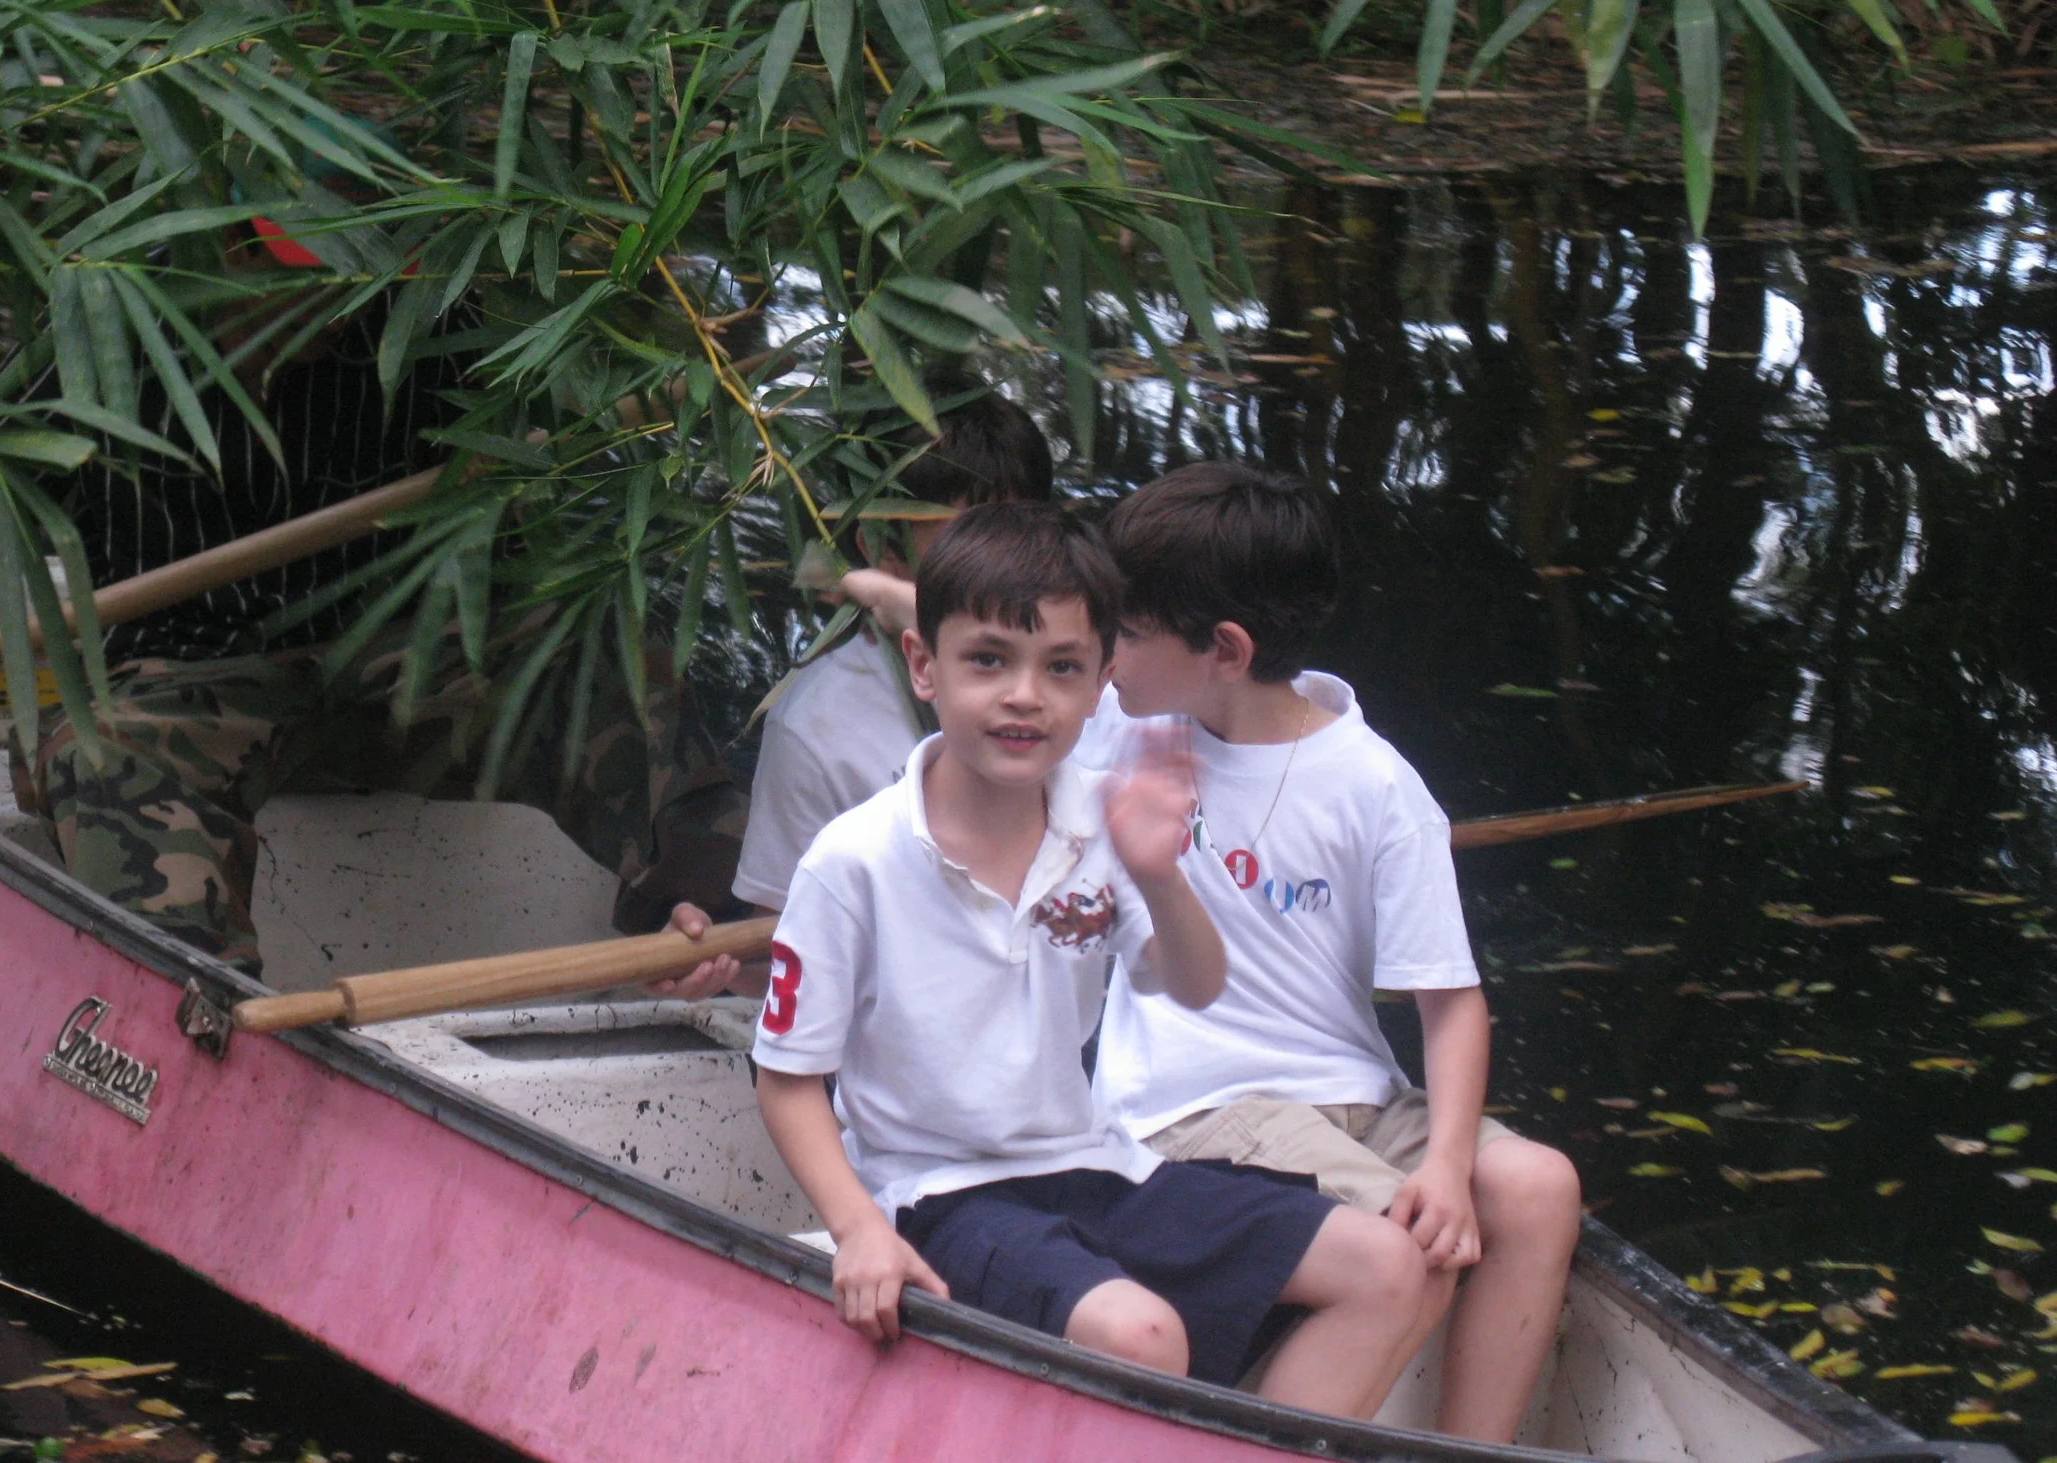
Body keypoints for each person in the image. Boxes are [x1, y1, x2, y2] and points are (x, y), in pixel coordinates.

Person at [0, 236, 741, 974]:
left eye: (348, 287)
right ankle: (197, 1006)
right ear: (231, 253)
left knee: (610, 660)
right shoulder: (114, 332)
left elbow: (528, 548)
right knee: (103, 755)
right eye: (305, 282)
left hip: (392, 660)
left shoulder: (429, 326)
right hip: (184, 673)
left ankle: (717, 933)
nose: (332, 312)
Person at [750, 502, 1436, 1412]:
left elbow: (1197, 985)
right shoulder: (854, 861)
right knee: (1142, 1333)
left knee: (1389, 1264)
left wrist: (1159, 875)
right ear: (924, 664)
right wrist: (859, 1228)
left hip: (1098, 1164)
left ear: (1103, 679)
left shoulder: (1102, 817)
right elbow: (787, 1075)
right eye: (988, 659)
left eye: (1062, 667)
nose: (1024, 695)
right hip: (937, 1191)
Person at [1082, 463, 1583, 1441]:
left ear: (1226, 649)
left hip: (1352, 1095)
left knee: (1537, 1186)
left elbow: (1451, 1002)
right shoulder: (1122, 726)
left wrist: (1448, 1162)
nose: (1102, 655)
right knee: (1408, 1243)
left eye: (1125, 632)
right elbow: (1004, 662)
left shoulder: (1374, 784)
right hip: (1200, 1104)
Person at [645, 382, 1052, 995]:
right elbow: (786, 951)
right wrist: (717, 967)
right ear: (880, 552)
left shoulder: (1091, 680)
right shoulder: (816, 727)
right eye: (965, 546)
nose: (1000, 571)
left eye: (1016, 540)